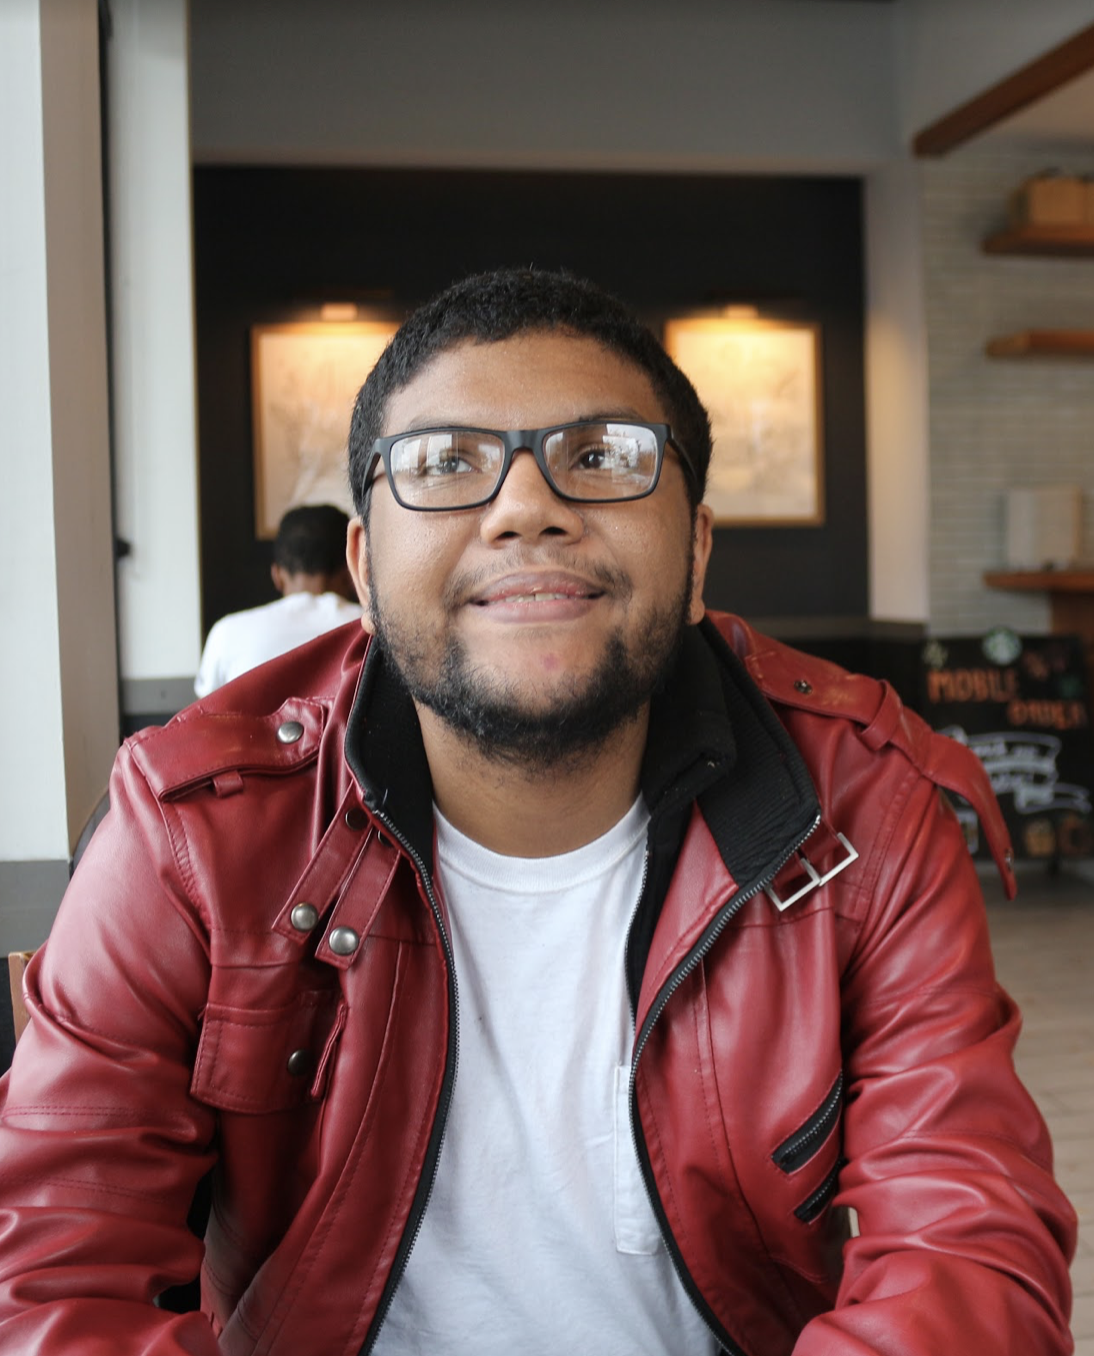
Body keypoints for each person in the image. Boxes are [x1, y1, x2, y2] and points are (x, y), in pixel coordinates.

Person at [0, 268, 1076, 1356]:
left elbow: (966, 1248)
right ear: (363, 571)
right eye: (445, 464)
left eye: (601, 458)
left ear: (696, 551)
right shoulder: (192, 830)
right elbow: (49, 1278)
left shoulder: (858, 812)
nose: (526, 508)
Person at [193, 503, 361, 696]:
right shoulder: (373, 630)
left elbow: (204, 714)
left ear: (277, 576)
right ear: (351, 571)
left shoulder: (226, 633)